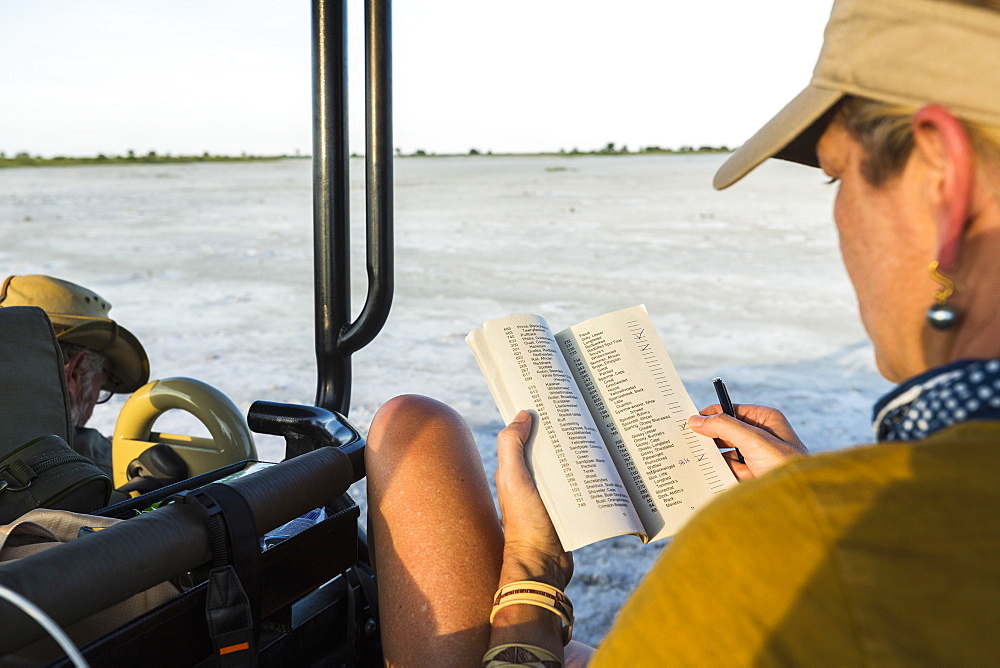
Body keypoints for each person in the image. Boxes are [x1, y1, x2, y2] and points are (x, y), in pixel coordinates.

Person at [363, 0, 1000, 665]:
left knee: (414, 436)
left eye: (836, 175)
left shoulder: (814, 558)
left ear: (943, 183)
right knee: (418, 426)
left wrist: (531, 572)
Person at [0, 275, 150, 477]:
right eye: (102, 385)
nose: (96, 398)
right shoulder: (95, 465)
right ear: (76, 372)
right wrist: (115, 458)